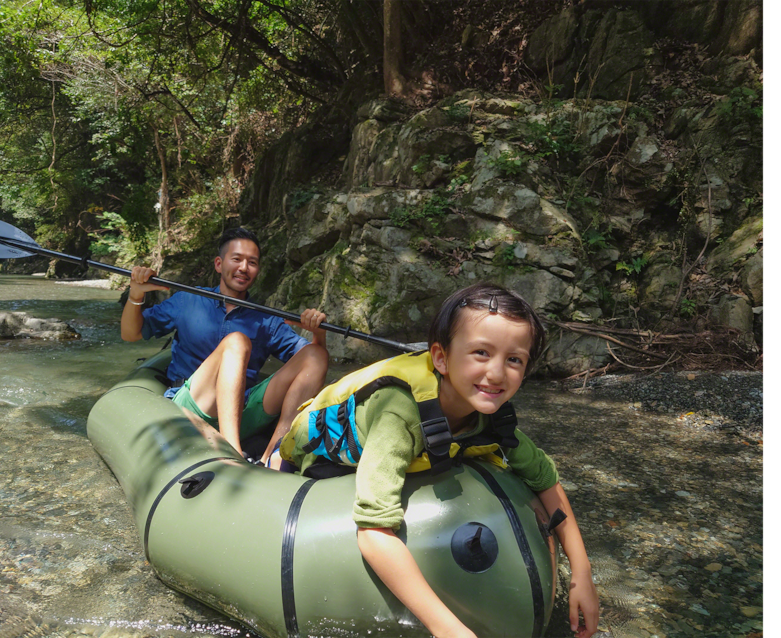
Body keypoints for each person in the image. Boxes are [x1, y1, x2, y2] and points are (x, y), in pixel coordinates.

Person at [275, 283, 601, 638]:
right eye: (480, 352)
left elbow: (545, 480)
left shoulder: (492, 416)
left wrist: (581, 573)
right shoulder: (400, 416)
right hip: (323, 455)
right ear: (441, 358)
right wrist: (448, 629)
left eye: (514, 359)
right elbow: (373, 531)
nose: (496, 373)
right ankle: (273, 453)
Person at [121, 227, 329, 468]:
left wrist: (318, 334)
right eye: (237, 259)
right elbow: (130, 333)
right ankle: (232, 455)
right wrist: (136, 293)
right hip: (192, 407)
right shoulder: (188, 299)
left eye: (252, 262)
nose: (244, 268)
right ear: (219, 264)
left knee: (317, 354)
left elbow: (310, 362)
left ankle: (275, 456)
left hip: (243, 410)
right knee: (237, 342)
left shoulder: (266, 319)